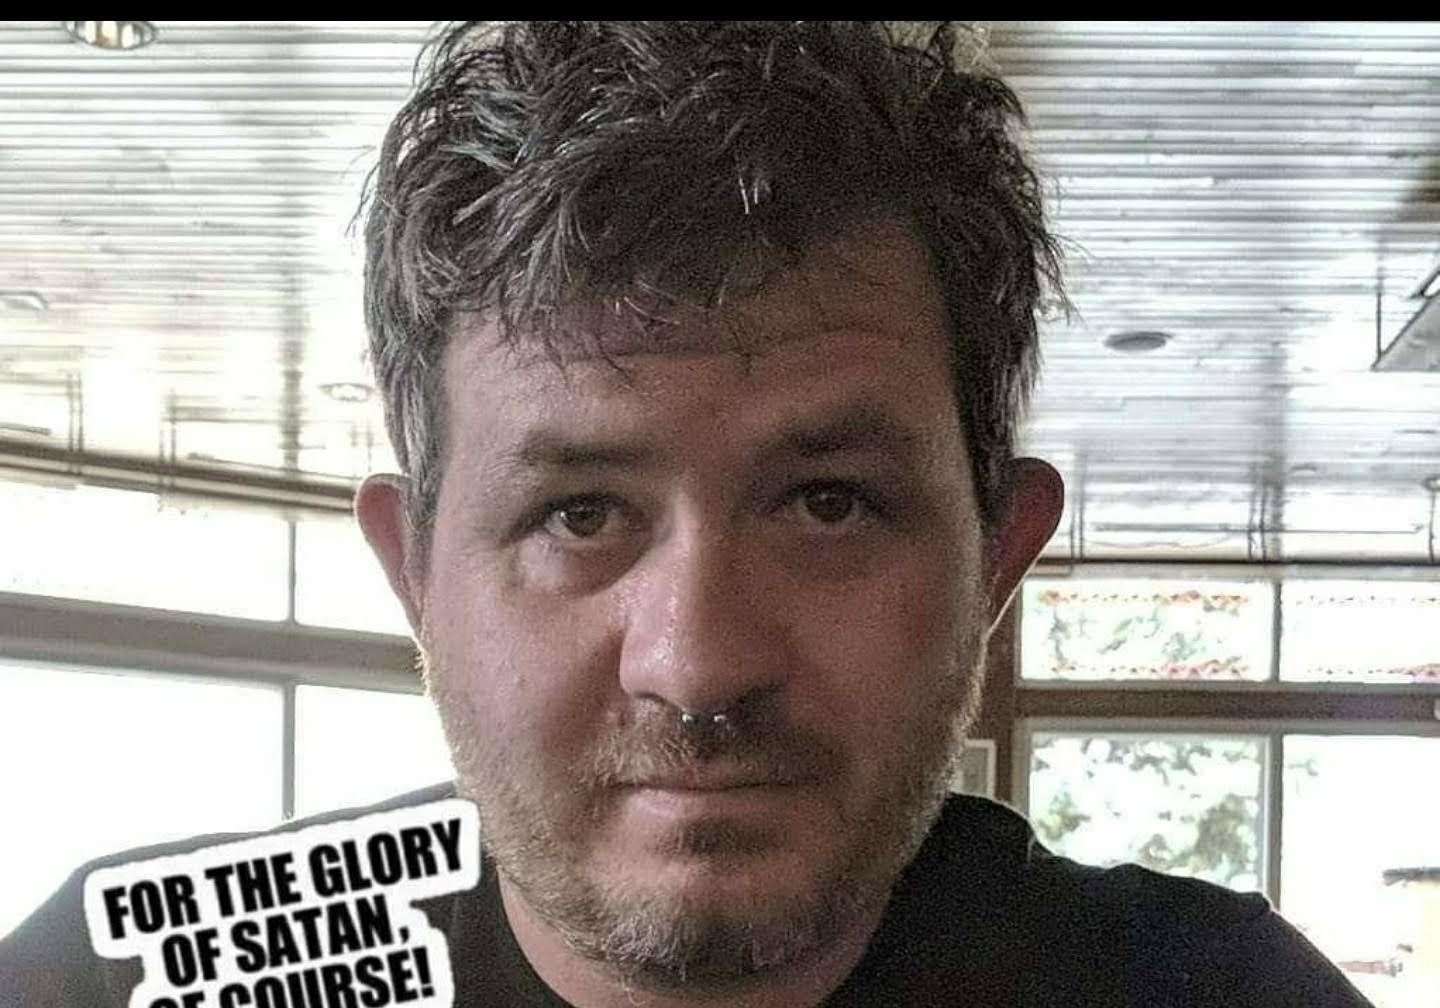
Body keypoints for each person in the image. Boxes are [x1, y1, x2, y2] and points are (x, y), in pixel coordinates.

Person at [1, 21, 1373, 1007]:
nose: (699, 666)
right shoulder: (122, 981)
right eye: (578, 514)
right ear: (415, 573)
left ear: (995, 556)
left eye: (830, 504)